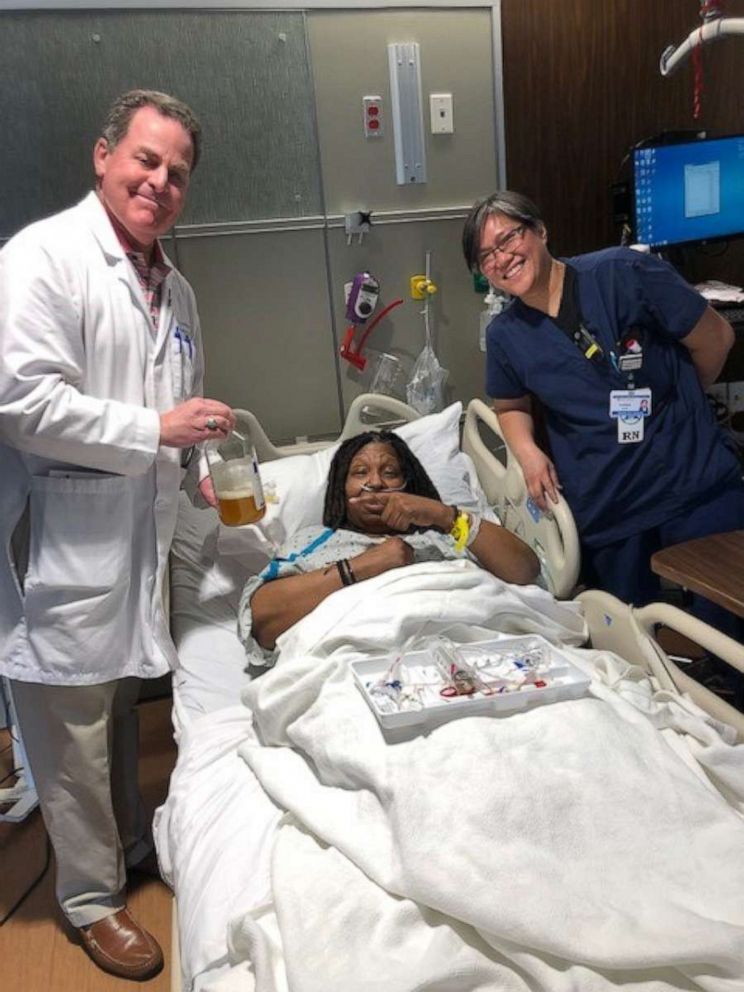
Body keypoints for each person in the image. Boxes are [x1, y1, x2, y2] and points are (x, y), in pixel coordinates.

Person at [0, 90, 236, 980]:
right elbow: (22, 404)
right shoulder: (43, 258)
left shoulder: (171, 286)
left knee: (117, 708)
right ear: (103, 157)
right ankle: (89, 901)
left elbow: (184, 396)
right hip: (61, 541)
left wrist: (195, 462)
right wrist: (156, 433)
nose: (160, 181)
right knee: (70, 731)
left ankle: (131, 847)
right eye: (145, 159)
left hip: (135, 531)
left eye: (177, 171)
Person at [461, 190, 744, 629]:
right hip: (609, 503)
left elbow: (716, 338)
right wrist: (527, 452)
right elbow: (511, 403)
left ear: (539, 230)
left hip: (690, 480)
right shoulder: (506, 336)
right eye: (486, 256)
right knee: (628, 645)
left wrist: (680, 406)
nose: (502, 258)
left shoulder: (622, 272)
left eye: (509, 238)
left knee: (728, 623)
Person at [238, 431, 539, 662]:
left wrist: (443, 514)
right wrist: (364, 566)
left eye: (390, 472)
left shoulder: (446, 533)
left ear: (407, 483)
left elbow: (524, 571)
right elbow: (262, 620)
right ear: (341, 489)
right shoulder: (315, 540)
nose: (376, 483)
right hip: (359, 665)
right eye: (359, 473)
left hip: (475, 651)